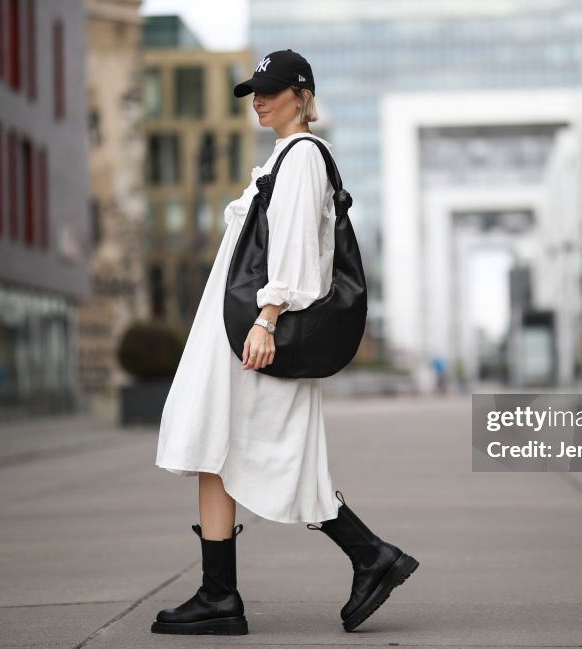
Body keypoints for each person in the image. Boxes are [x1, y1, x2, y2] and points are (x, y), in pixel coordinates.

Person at [150, 50, 418, 636]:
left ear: (302, 95)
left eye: (271, 90)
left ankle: (365, 557)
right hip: (235, 331)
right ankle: (226, 593)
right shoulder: (279, 159)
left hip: (252, 332)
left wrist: (267, 320)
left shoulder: (301, 157)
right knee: (213, 446)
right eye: (254, 92)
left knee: (264, 453)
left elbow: (294, 249)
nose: (260, 100)